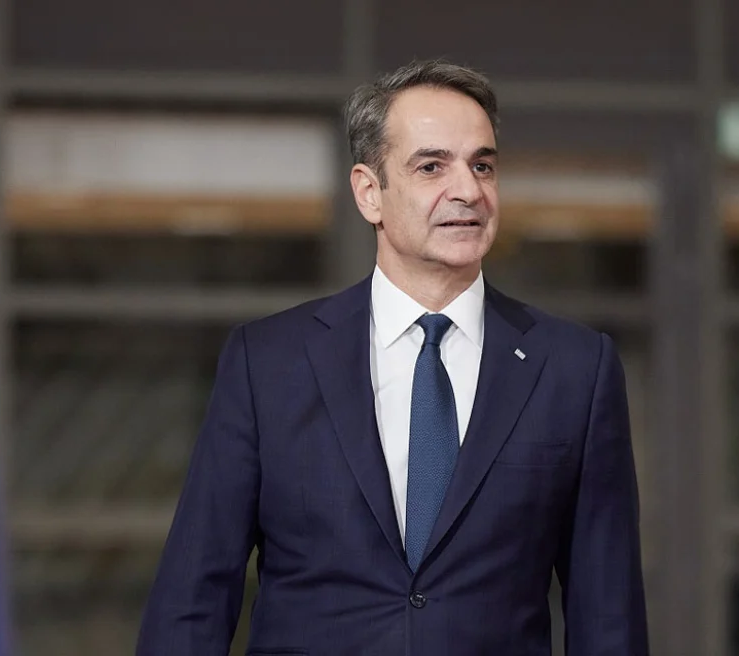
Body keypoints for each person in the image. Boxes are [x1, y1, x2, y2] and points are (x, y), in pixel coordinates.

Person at [136, 58, 649, 656]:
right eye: (432, 166)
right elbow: (192, 599)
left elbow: (608, 615)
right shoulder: (268, 363)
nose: (468, 190)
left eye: (482, 165)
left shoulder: (574, 369)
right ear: (369, 192)